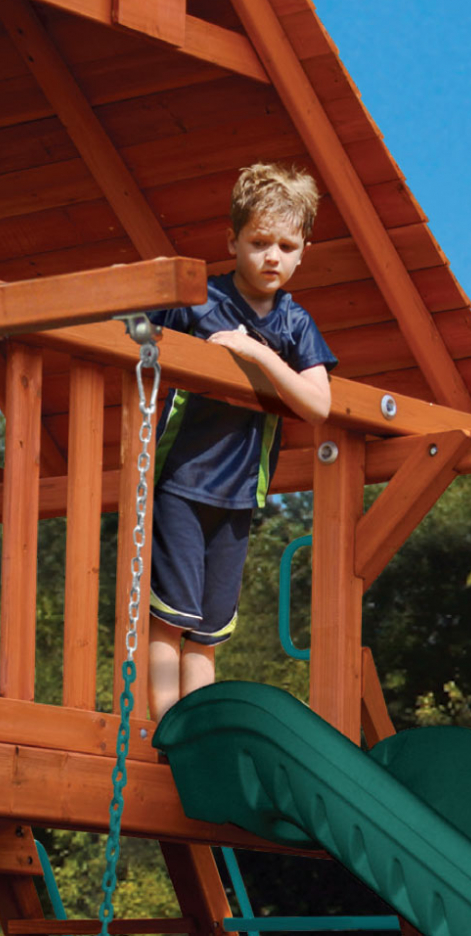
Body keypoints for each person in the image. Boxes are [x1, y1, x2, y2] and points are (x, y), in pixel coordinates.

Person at [145, 161, 336, 722]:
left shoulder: (295, 324)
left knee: (206, 630)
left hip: (239, 494)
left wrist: (256, 353)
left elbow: (319, 405)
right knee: (168, 618)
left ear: (302, 251)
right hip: (181, 479)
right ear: (232, 241)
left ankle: (199, 729)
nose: (271, 256)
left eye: (285, 245)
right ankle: (163, 723)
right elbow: (126, 324)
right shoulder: (197, 301)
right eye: (258, 242)